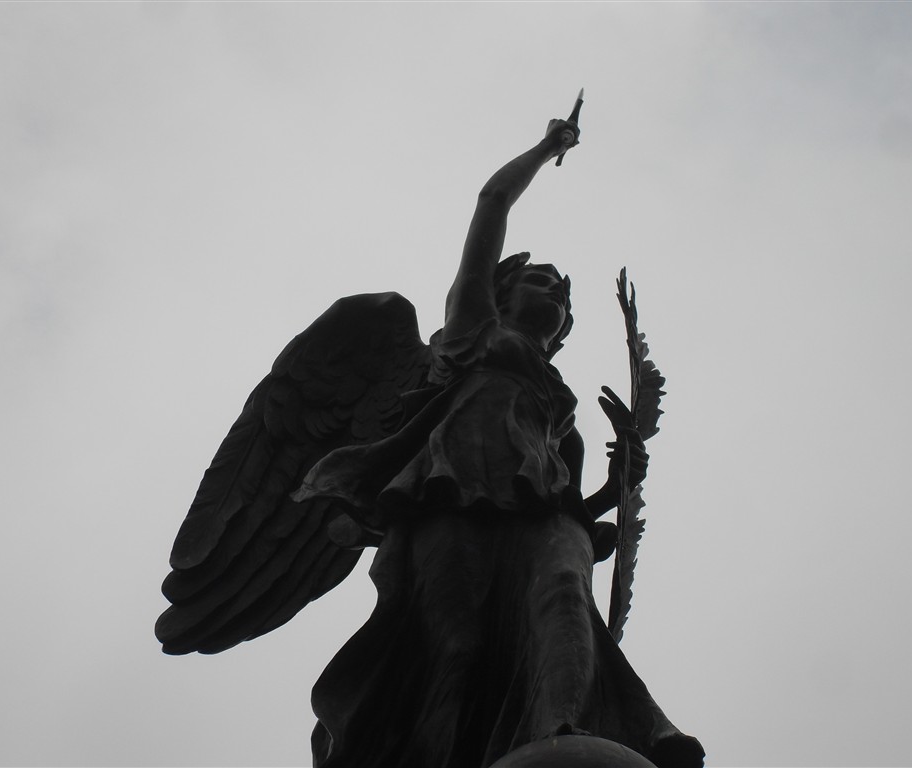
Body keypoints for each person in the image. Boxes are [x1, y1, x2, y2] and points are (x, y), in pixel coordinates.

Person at [293, 116, 705, 768]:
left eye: (563, 296)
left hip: (543, 521)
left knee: (566, 604)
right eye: (541, 281)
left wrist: (618, 480)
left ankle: (564, 732)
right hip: (450, 504)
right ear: (500, 295)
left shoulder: (558, 407)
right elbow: (491, 204)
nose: (555, 293)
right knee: (452, 648)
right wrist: (546, 148)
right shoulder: (473, 336)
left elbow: (568, 499)